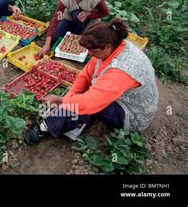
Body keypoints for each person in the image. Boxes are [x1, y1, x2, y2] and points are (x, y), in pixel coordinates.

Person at [24, 18, 159, 144]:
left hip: (132, 113)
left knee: (84, 106)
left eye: (92, 51)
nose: (89, 54)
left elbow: (88, 102)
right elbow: (86, 74)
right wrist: (70, 95)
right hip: (120, 94)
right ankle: (66, 115)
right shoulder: (114, 44)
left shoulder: (122, 69)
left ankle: (44, 127)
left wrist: (61, 101)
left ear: (107, 47)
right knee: (80, 97)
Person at [36, 0, 110, 59]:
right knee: (54, 37)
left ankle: (79, 37)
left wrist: (89, 14)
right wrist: (47, 44)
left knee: (77, 18)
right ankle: (69, 36)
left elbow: (105, 13)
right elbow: (56, 19)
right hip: (69, 20)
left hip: (88, 22)